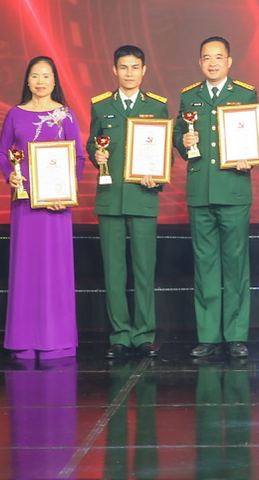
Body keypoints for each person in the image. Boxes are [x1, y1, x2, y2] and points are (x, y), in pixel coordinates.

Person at [0, 56, 84, 360]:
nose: (41, 81)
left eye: (46, 76)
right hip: (25, 206)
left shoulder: (66, 116)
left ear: (54, 81)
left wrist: (67, 191)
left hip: (57, 207)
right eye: (35, 75)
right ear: (28, 81)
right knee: (27, 270)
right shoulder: (15, 115)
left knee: (55, 270)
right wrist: (11, 174)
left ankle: (56, 341)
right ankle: (24, 340)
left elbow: (79, 159)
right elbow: (2, 154)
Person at [174, 36, 258, 360]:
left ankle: (236, 335)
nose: (212, 63)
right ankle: (208, 335)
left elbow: (257, 138)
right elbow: (180, 142)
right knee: (205, 265)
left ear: (229, 62)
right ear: (200, 62)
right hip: (200, 190)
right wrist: (185, 140)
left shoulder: (245, 94)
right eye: (206, 57)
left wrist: (248, 156)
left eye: (218, 57)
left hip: (234, 189)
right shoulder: (188, 97)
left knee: (236, 265)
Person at [87, 45, 171, 361]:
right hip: (110, 196)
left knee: (144, 268)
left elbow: (164, 152)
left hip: (143, 195)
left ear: (144, 70)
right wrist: (97, 155)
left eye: (135, 67)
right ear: (114, 70)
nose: (129, 73)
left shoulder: (157, 107)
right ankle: (119, 334)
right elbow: (94, 141)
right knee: (113, 269)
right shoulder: (101, 106)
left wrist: (158, 178)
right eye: (123, 67)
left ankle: (144, 334)